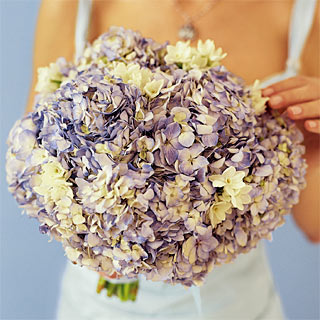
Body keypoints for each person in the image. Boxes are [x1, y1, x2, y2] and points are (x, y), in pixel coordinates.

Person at [25, 0, 320, 319]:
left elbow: (314, 225)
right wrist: (106, 243)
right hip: (99, 308)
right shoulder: (72, 6)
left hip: (237, 307)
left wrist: (314, 136)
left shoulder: (303, 11)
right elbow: (36, 164)